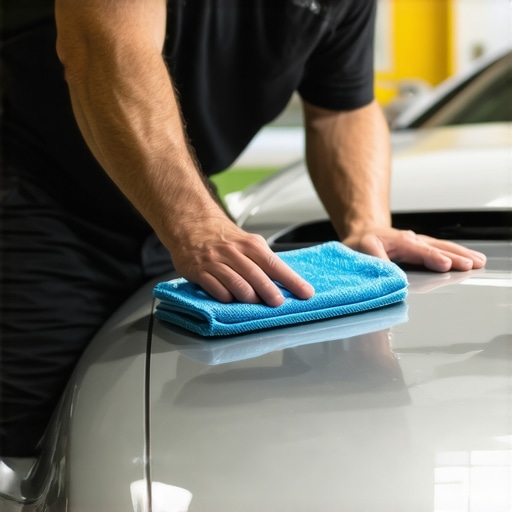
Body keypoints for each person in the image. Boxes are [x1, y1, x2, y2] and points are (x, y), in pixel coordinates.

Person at [0, 1, 485, 457]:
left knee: (159, 432)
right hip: (35, 191)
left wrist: (365, 225)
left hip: (170, 202)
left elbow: (343, 107)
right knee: (23, 429)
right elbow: (103, 48)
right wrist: (193, 222)